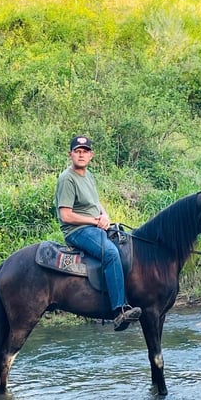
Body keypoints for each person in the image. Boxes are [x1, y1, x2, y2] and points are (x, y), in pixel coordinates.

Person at [54, 135, 142, 331]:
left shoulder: (89, 176)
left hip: (95, 226)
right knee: (110, 254)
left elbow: (95, 203)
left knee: (127, 245)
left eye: (85, 151)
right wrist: (95, 220)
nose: (81, 155)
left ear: (91, 155)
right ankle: (119, 310)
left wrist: (105, 215)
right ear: (70, 155)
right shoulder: (67, 179)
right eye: (77, 151)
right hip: (78, 231)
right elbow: (66, 215)